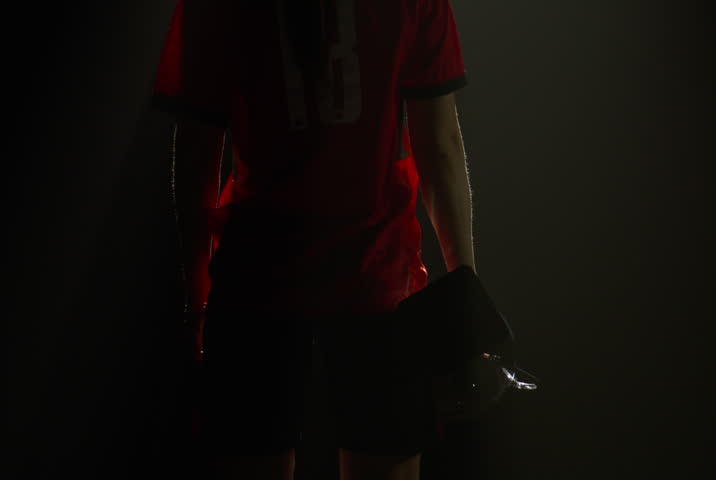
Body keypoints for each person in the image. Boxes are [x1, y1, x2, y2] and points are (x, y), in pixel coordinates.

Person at [152, 0, 475, 479]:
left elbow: (199, 155)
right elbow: (440, 148)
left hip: (256, 279)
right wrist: (463, 290)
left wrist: (196, 301)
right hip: (380, 279)